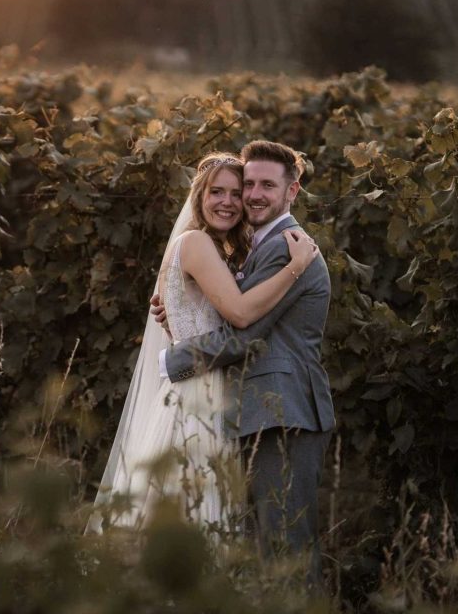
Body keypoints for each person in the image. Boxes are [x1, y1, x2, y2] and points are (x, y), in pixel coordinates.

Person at [89, 150, 319, 537]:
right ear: (200, 195)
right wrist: (296, 268)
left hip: (212, 395)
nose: (228, 202)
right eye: (218, 192)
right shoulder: (196, 242)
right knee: (188, 517)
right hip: (196, 399)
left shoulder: (220, 251)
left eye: (236, 192)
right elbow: (243, 315)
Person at [156, 140, 334, 591]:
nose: (251, 195)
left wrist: (172, 358)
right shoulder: (256, 247)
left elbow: (244, 333)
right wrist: (179, 309)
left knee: (286, 547)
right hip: (259, 413)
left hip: (283, 413)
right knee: (265, 546)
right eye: (247, 183)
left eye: (265, 186)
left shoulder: (287, 249)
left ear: (292, 191)